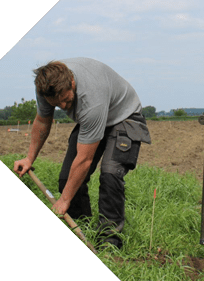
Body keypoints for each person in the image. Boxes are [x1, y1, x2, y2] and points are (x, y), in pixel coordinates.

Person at [14, 57, 151, 248]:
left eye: (65, 100)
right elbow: (43, 120)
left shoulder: (91, 96)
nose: (62, 107)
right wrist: (29, 158)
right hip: (94, 120)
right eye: (56, 104)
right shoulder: (45, 88)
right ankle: (82, 230)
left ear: (72, 82)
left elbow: (84, 160)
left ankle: (109, 244)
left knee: (111, 173)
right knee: (66, 180)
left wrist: (63, 201)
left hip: (124, 117)